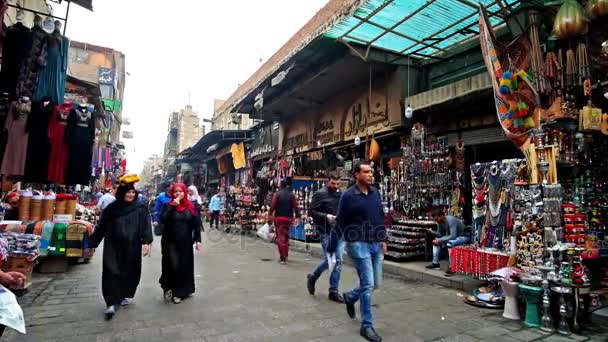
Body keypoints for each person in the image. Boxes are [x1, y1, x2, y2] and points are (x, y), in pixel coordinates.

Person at [328, 161, 386, 342]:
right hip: (357, 243)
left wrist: (383, 238)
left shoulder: (375, 193)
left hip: (375, 242)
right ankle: (366, 326)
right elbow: (341, 222)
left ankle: (351, 296)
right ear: (357, 175)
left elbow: (379, 217)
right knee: (367, 284)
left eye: (371, 171)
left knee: (375, 283)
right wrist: (332, 245)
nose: (370, 175)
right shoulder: (348, 196)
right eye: (366, 172)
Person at [88, 175, 153, 320]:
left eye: (132, 192)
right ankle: (111, 302)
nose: (130, 195)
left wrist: (147, 242)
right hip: (113, 245)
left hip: (132, 246)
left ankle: (127, 293)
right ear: (122, 193)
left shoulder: (140, 208)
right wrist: (92, 244)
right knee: (111, 271)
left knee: (130, 271)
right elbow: (101, 228)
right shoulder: (112, 209)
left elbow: (146, 226)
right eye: (127, 192)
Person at [159, 182, 202, 304]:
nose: (178, 193)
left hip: (186, 243)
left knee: (184, 266)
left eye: (180, 191)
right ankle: (171, 289)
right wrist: (172, 206)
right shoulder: (168, 205)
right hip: (170, 242)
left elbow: (196, 225)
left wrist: (198, 240)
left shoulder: (191, 207)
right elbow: (162, 219)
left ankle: (182, 291)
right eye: (175, 191)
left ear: (185, 192)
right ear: (172, 193)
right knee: (173, 265)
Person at [306, 173, 345, 303]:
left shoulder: (340, 194)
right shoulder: (320, 194)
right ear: (328, 181)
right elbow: (311, 211)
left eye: (338, 184)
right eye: (333, 183)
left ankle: (333, 291)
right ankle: (314, 277)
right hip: (325, 232)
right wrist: (326, 216)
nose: (335, 186)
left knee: (337, 261)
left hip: (339, 232)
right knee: (332, 261)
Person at [426, 209, 471, 276]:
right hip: (454, 237)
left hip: (464, 236)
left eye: (437, 219)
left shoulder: (450, 220)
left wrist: (440, 240)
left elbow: (453, 236)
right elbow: (440, 234)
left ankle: (452, 267)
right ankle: (435, 263)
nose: (436, 221)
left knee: (450, 243)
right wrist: (432, 232)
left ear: (441, 216)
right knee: (435, 242)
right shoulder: (439, 222)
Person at [269, 179, 300, 264]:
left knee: (280, 237)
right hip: (289, 219)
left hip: (279, 218)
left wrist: (270, 214)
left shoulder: (277, 194)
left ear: (280, 185)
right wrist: (298, 216)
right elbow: (296, 207)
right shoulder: (291, 195)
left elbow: (273, 205)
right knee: (286, 237)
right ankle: (285, 254)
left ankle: (283, 257)